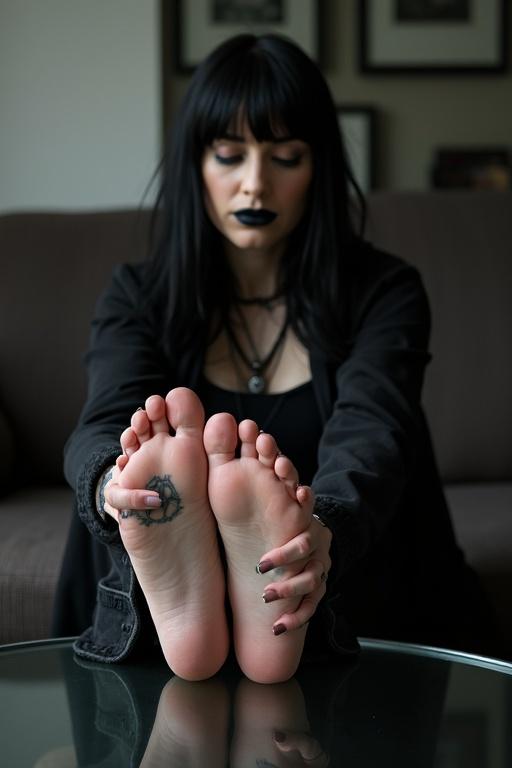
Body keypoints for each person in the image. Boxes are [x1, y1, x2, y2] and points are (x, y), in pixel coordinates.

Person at [53, 33, 497, 683]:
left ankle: (279, 575)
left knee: (388, 450)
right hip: (173, 557)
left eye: (285, 156)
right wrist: (111, 490)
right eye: (229, 155)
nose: (255, 182)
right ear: (194, 166)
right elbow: (102, 418)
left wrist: (323, 532)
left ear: (318, 167)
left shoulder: (383, 289)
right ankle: (176, 571)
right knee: (127, 459)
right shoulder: (138, 294)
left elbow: (375, 432)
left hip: (341, 564)